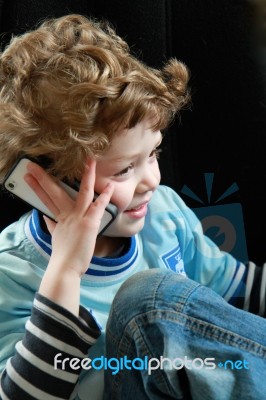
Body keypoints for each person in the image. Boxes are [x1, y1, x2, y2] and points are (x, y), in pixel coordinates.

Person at [0, 14, 265, 400]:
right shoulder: (13, 272)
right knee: (147, 301)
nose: (152, 181)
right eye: (125, 169)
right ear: (41, 183)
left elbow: (237, 295)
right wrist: (66, 272)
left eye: (153, 154)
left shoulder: (165, 214)